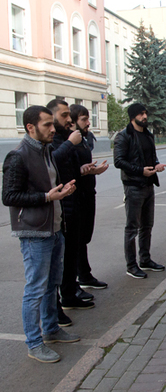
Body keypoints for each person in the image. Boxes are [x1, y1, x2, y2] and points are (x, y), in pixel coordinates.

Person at [2, 105, 80, 363]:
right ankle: (34, 343)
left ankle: (51, 330)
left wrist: (62, 189)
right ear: (30, 127)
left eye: (51, 123)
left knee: (51, 284)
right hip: (34, 232)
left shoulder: (46, 150)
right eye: (47, 124)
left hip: (54, 228)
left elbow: (49, 186)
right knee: (35, 288)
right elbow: (9, 197)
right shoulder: (18, 156)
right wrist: (47, 196)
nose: (53, 128)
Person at [48, 99, 95, 323]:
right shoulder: (55, 141)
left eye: (69, 116)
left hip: (73, 202)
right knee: (58, 260)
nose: (69, 120)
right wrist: (69, 144)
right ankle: (57, 307)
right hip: (59, 208)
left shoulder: (65, 139)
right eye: (64, 116)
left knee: (71, 253)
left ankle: (70, 293)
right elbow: (52, 165)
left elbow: (68, 169)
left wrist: (84, 170)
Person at [114, 103, 166, 279]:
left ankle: (145, 259)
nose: (145, 116)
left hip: (148, 185)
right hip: (133, 186)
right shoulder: (124, 136)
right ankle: (131, 265)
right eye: (141, 114)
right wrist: (140, 170)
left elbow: (151, 156)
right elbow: (119, 161)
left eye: (145, 113)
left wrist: (157, 165)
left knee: (147, 226)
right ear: (133, 117)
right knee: (132, 228)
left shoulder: (147, 135)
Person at [70, 104, 109, 291]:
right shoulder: (69, 143)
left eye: (88, 118)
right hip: (76, 196)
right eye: (84, 119)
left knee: (84, 237)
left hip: (87, 193)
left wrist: (93, 170)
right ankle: (79, 277)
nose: (88, 122)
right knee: (76, 239)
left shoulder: (84, 140)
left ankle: (84, 275)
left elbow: (82, 166)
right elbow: (68, 170)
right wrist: (84, 171)